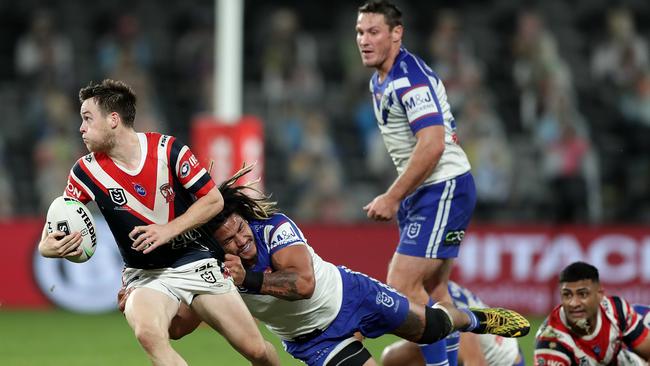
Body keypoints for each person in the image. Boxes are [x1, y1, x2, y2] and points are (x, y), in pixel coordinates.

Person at [120, 164, 530, 366]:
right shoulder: (210, 269)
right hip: (314, 342)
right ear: (215, 246)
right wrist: (141, 301)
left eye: (241, 228)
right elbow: (183, 326)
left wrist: (253, 279)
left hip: (351, 295)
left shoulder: (274, 228)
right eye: (229, 239)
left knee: (433, 327)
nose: (241, 239)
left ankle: (473, 320)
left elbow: (304, 284)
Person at [38, 79, 279, 366]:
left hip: (195, 261)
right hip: (145, 274)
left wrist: (168, 230)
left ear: (113, 119)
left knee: (256, 350)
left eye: (88, 118)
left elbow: (213, 200)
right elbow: (60, 217)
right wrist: (47, 247)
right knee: (149, 335)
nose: (81, 128)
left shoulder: (167, 150)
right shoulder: (85, 171)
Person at [356, 1, 476, 365]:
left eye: (374, 31)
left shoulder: (408, 79)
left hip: (442, 187)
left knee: (402, 286)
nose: (364, 40)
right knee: (435, 290)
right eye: (360, 32)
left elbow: (433, 143)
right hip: (431, 191)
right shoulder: (381, 78)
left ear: (397, 34)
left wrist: (393, 197)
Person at [381, 280, 526, 366]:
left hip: (503, 362)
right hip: (499, 348)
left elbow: (476, 362)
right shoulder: (435, 288)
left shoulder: (446, 306)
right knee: (392, 357)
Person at [535, 261, 650, 365]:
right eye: (567, 295)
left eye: (583, 294)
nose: (574, 303)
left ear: (599, 294)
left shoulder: (616, 310)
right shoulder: (551, 343)